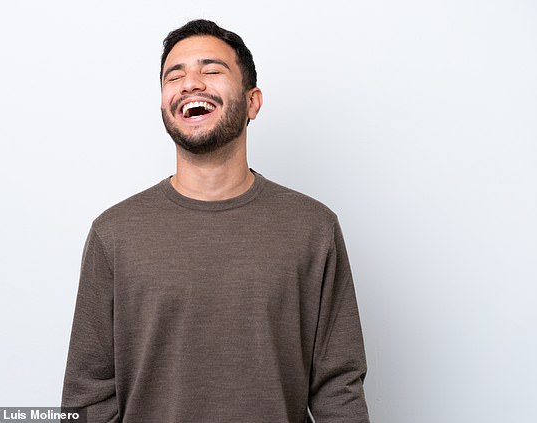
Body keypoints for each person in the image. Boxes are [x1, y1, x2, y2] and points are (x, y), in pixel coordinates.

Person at [62, 19, 370, 423]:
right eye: (175, 75)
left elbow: (338, 391)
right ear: (163, 105)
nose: (190, 83)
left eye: (211, 70)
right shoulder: (114, 233)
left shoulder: (313, 229)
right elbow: (87, 398)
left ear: (252, 102)